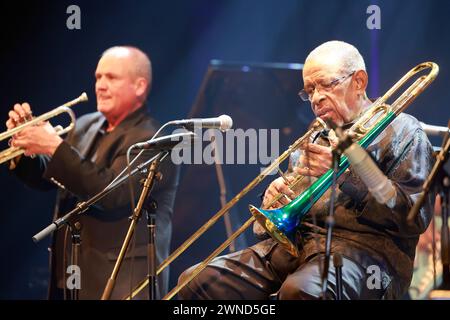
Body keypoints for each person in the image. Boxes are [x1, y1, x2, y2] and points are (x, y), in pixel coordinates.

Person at [177, 40, 434, 300]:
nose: (316, 98)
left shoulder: (402, 130)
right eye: (309, 90)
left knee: (300, 291)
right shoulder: (315, 134)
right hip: (298, 249)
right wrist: (276, 201)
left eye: (326, 85)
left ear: (359, 81)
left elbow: (415, 216)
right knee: (197, 282)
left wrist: (344, 177)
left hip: (365, 256)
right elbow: (286, 216)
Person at [6, 46, 179, 299]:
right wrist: (25, 151)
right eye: (98, 77)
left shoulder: (155, 137)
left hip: (121, 281)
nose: (100, 85)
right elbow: (55, 178)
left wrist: (54, 146)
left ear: (140, 86)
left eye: (112, 77)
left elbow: (111, 194)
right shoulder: (86, 124)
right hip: (70, 275)